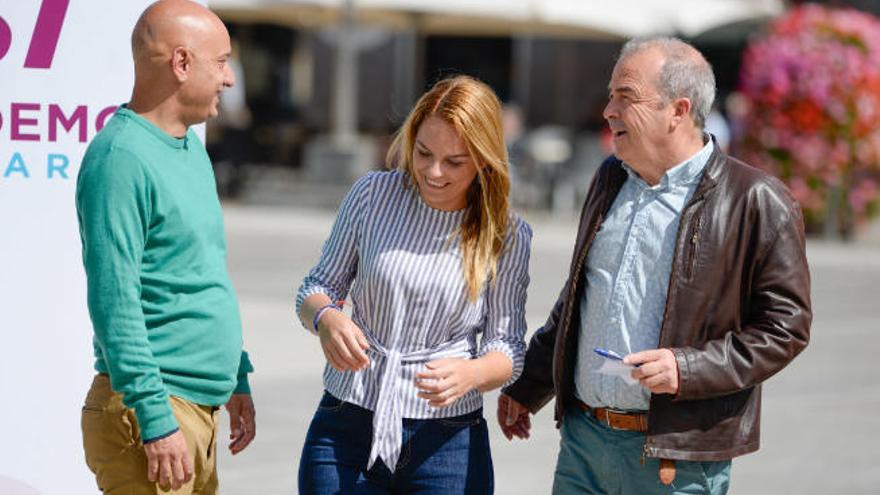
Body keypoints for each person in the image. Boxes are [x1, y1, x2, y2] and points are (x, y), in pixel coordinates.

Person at [497, 37, 811, 495]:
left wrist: (687, 368)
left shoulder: (756, 200)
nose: (608, 110)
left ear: (678, 111)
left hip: (675, 459)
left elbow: (787, 327)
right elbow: (580, 299)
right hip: (584, 444)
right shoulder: (609, 177)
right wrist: (529, 386)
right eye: (611, 96)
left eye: (625, 97)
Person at [295, 75, 532, 494]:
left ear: (483, 159)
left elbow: (508, 347)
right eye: (424, 153)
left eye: (455, 162)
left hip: (446, 441)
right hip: (346, 420)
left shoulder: (507, 235)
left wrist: (473, 373)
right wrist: (327, 319)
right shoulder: (372, 195)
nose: (433, 172)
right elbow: (316, 287)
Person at [76, 1, 256, 493]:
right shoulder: (120, 158)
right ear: (181, 64)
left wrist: (235, 375)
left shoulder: (189, 148)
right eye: (221, 62)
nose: (230, 79)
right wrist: (154, 418)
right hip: (154, 410)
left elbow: (199, 273)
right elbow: (115, 302)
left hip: (195, 408)